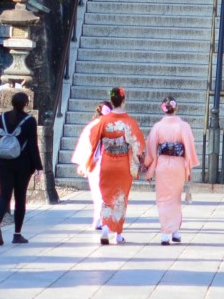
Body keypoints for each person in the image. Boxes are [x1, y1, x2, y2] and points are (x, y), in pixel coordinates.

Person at [92, 86, 144, 244]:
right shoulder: (129, 122)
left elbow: (93, 140)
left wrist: (90, 160)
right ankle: (118, 235)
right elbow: (138, 144)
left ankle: (106, 229)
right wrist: (141, 161)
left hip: (107, 162)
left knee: (107, 197)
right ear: (123, 100)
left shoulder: (103, 121)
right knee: (121, 198)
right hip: (123, 164)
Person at [0, 91, 42, 246]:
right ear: (26, 104)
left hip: (2, 162)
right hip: (22, 164)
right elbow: (33, 146)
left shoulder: (2, 118)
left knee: (4, 195)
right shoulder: (30, 121)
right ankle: (17, 234)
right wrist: (39, 167)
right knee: (20, 198)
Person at [144, 97, 199, 245]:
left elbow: (150, 149)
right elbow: (189, 147)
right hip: (178, 165)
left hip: (162, 164)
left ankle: (165, 234)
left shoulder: (158, 127)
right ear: (176, 108)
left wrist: (148, 165)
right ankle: (175, 231)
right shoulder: (183, 126)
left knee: (163, 199)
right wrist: (189, 164)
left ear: (163, 108)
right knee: (175, 198)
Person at [72, 102, 112, 230]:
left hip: (95, 161)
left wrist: (82, 164)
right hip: (112, 161)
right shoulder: (114, 126)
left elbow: (85, 146)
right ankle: (105, 219)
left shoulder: (91, 126)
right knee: (108, 192)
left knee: (97, 192)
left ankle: (98, 219)